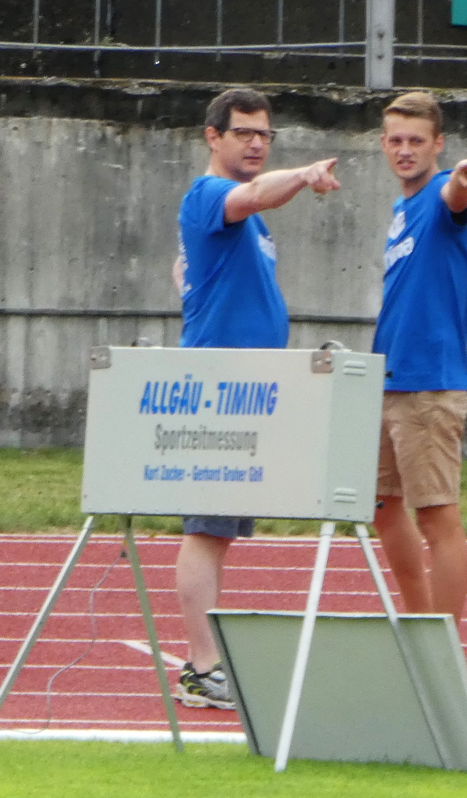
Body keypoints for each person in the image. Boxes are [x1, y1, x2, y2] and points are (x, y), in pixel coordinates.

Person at [174, 87, 340, 707]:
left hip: (248, 389)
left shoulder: (245, 220)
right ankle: (202, 666)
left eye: (264, 135)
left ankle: (207, 662)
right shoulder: (214, 194)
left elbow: (195, 271)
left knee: (218, 531)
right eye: (243, 132)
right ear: (212, 137)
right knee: (207, 528)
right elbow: (251, 194)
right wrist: (302, 174)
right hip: (220, 389)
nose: (255, 143)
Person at [369, 91, 467, 622]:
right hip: (386, 380)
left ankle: (445, 651)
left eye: (416, 141)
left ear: (437, 144)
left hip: (430, 384)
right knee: (381, 509)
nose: (404, 150)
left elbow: (456, 198)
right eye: (395, 140)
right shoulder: (401, 207)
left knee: (437, 518)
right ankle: (418, 626)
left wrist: (463, 178)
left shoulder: (441, 192)